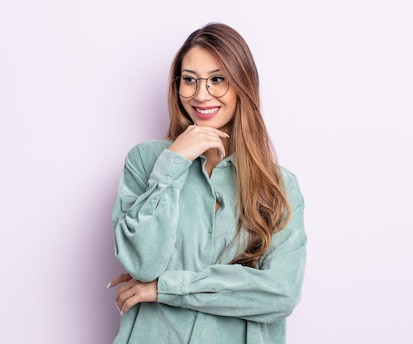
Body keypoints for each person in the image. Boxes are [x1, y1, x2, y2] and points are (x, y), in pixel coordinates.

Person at [107, 22, 307, 343]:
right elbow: (143, 263)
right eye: (189, 80)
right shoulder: (146, 162)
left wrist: (165, 289)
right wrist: (175, 161)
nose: (201, 95)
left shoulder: (280, 185)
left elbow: (281, 293)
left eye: (217, 80)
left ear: (242, 84)